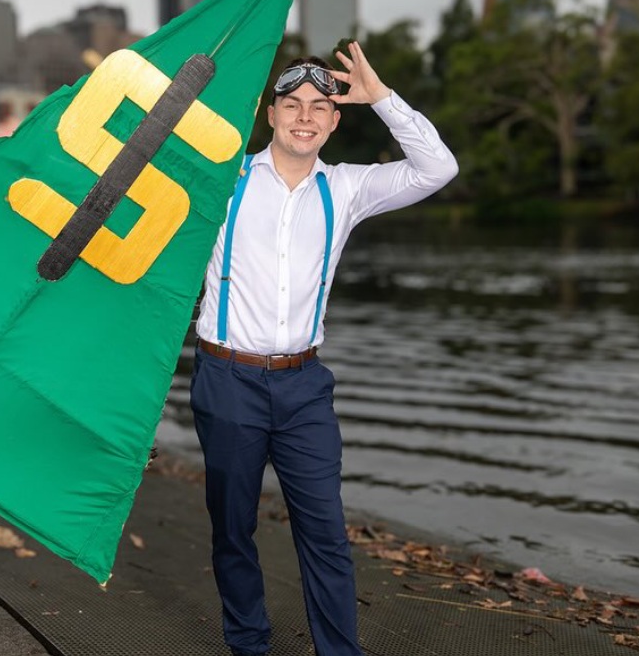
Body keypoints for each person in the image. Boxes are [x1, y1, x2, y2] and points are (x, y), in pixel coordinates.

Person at [191, 41, 459, 656]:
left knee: (326, 533)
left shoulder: (349, 188)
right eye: (293, 104)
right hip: (226, 379)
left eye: (319, 106)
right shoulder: (220, 182)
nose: (305, 115)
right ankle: (249, 643)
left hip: (304, 387)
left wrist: (382, 99)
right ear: (271, 114)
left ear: (336, 121)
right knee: (233, 530)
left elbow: (437, 168)